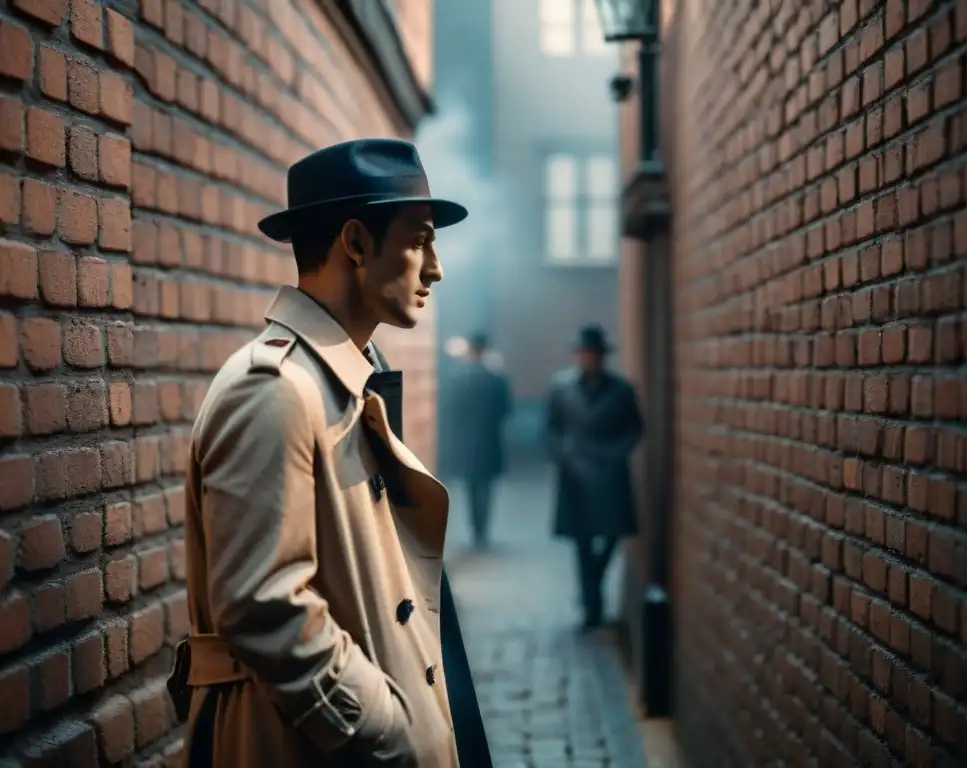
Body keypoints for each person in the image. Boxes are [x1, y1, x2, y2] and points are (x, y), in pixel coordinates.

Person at [170, 139, 491, 767]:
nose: (435, 268)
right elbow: (266, 608)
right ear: (355, 243)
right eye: (419, 239)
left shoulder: (341, 377)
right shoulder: (273, 390)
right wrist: (392, 732)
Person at [545, 325, 643, 630]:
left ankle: (594, 584)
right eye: (584, 354)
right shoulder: (562, 388)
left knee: (612, 537)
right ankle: (592, 606)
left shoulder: (622, 390)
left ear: (602, 357)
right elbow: (550, 430)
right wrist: (564, 456)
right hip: (575, 477)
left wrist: (614, 455)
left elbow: (635, 429)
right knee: (582, 543)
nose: (589, 359)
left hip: (610, 476)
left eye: (594, 354)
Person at [444, 333, 512, 547]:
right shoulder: (496, 379)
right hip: (489, 442)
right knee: (485, 489)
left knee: (471, 488)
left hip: (465, 443)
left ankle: (476, 529)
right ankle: (482, 530)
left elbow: (450, 411)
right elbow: (506, 410)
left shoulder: (457, 379)